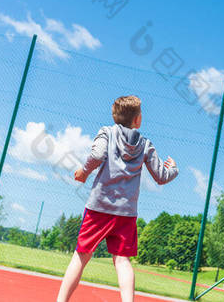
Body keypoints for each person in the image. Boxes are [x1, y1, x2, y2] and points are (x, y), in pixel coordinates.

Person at [57, 95, 179, 302]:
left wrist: (84, 173)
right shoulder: (145, 144)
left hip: (99, 207)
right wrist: (173, 169)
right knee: (122, 261)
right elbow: (161, 177)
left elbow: (96, 156)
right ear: (137, 120)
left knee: (81, 256)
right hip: (126, 212)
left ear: (114, 117)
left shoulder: (106, 133)